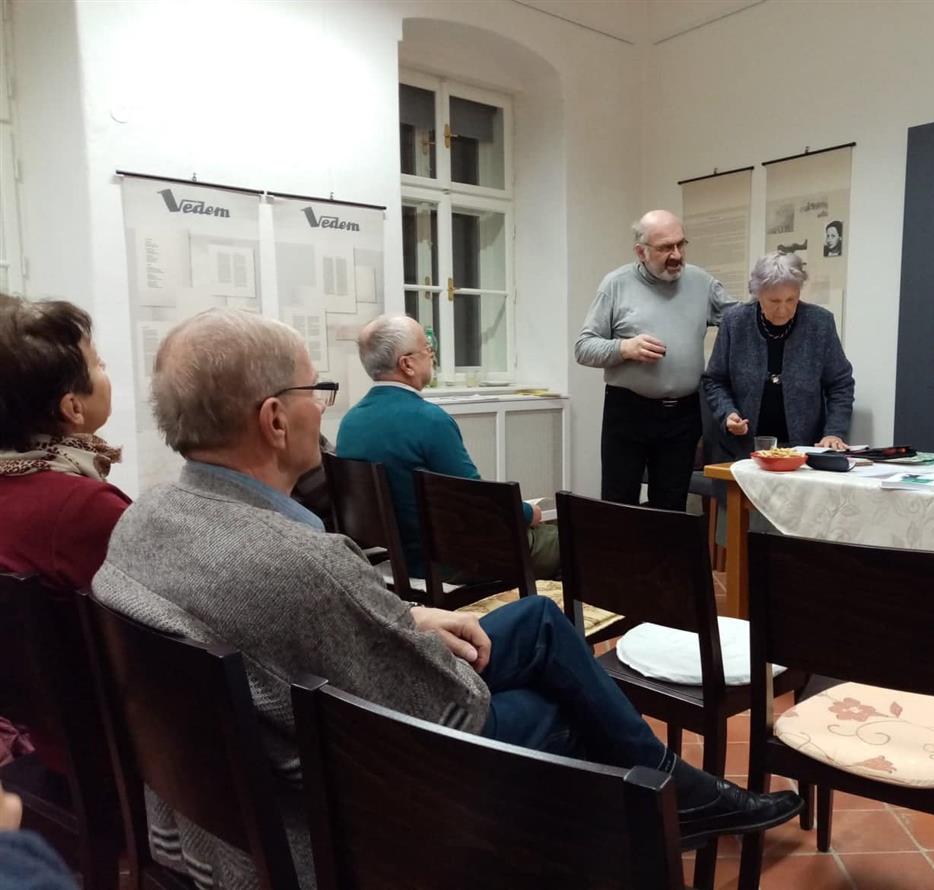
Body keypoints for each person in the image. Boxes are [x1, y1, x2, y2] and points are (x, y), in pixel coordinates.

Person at [91, 309, 801, 889]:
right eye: (315, 390)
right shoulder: (299, 565)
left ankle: (676, 797)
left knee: (540, 623)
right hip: (342, 806)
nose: (322, 406)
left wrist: (408, 616)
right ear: (275, 419)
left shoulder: (141, 522)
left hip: (227, 800)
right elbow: (450, 706)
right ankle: (666, 810)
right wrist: (413, 635)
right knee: (564, 709)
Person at [0, 295, 129, 769]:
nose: (106, 372)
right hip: (102, 752)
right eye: (99, 364)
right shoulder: (82, 510)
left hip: (38, 740)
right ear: (72, 407)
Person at [336, 314, 560, 581]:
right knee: (570, 540)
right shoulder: (430, 420)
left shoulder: (349, 422)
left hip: (394, 560)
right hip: (449, 562)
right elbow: (477, 504)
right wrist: (528, 513)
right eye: (427, 349)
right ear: (407, 364)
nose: (432, 355)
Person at [575, 210, 737, 510]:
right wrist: (624, 348)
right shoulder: (615, 284)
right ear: (641, 252)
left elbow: (740, 322)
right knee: (619, 505)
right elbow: (583, 348)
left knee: (671, 508)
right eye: (665, 248)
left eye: (681, 244)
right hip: (628, 411)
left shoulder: (701, 282)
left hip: (683, 415)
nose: (676, 255)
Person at [702, 251, 854, 457]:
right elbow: (715, 380)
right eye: (774, 301)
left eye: (791, 299)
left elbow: (840, 383)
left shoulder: (819, 323)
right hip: (742, 449)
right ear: (758, 294)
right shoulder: (735, 322)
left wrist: (834, 432)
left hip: (803, 449)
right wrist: (728, 413)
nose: (783, 310)